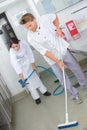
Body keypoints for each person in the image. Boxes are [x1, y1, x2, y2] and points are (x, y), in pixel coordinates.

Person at [20, 13, 87, 104]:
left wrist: (58, 28)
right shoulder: (30, 37)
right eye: (27, 27)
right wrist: (58, 61)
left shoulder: (43, 19)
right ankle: (74, 95)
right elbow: (44, 51)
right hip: (51, 59)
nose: (30, 28)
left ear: (34, 20)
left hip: (62, 49)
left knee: (76, 68)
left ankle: (84, 84)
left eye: (30, 25)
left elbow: (55, 16)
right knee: (62, 78)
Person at [9, 38, 51, 104]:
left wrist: (33, 63)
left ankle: (44, 91)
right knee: (28, 83)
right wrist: (20, 74)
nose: (15, 48)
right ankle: (36, 98)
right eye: (13, 47)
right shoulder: (11, 51)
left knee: (35, 78)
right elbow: (15, 63)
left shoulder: (23, 43)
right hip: (20, 66)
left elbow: (29, 52)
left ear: (18, 42)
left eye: (16, 46)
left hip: (27, 62)